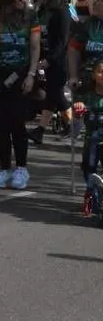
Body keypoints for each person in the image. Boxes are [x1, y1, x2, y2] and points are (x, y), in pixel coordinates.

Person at [0, 0, 40, 190]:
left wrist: (31, 74)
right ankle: (4, 167)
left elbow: (35, 47)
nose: (24, 1)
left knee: (17, 122)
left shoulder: (30, 16)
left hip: (21, 73)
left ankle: (21, 167)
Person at [30, 0, 73, 144]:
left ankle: (43, 130)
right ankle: (69, 126)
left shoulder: (63, 12)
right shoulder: (42, 11)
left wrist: (50, 59)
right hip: (44, 57)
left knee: (55, 94)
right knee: (55, 95)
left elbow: (63, 41)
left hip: (58, 61)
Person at [73, 60, 103, 216]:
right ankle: (91, 191)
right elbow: (77, 110)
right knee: (88, 167)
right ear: (94, 74)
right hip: (92, 138)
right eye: (100, 71)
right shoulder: (87, 95)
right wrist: (78, 107)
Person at [69, 0, 103, 89]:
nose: (94, 2)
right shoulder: (91, 23)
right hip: (88, 78)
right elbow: (74, 48)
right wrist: (73, 76)